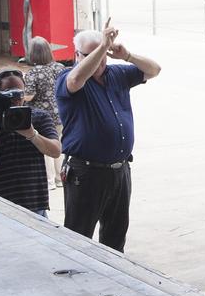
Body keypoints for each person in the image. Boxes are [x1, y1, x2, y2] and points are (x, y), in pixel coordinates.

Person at [58, 20, 162, 252]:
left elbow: (154, 70)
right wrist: (102, 46)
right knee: (78, 238)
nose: (101, 59)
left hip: (119, 170)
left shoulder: (117, 74)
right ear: (77, 55)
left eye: (104, 54)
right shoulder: (67, 77)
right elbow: (75, 81)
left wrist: (128, 56)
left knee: (115, 238)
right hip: (86, 173)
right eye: (93, 54)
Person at [0, 68, 62, 218]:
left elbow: (55, 151)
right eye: (9, 94)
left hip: (33, 204)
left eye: (19, 93)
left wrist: (31, 134)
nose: (15, 99)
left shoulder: (38, 117)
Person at [23, 36, 67, 189]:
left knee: (45, 147)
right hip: (61, 113)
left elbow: (29, 96)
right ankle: (60, 178)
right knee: (58, 144)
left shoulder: (33, 73)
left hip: (42, 117)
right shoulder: (60, 68)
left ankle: (49, 181)